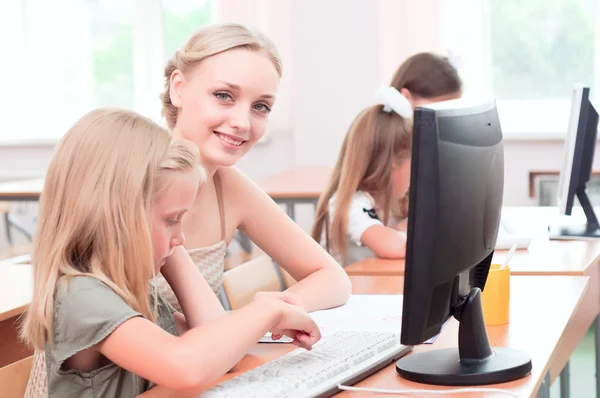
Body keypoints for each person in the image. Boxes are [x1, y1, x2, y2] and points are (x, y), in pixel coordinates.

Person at [20, 108, 320, 398]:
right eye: (171, 219)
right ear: (119, 216)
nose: (182, 237)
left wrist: (168, 248)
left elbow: (215, 346)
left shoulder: (134, 289)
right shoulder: (81, 295)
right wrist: (266, 311)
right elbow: (185, 366)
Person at [157, 23, 351, 312]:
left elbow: (333, 279)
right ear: (179, 89)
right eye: (223, 95)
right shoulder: (136, 178)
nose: (243, 122)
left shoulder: (229, 186)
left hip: (202, 353)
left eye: (260, 106)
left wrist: (277, 308)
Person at [311, 88, 413, 266]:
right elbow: (395, 247)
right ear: (393, 164)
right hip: (345, 293)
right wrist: (405, 229)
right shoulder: (350, 205)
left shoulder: (384, 201)